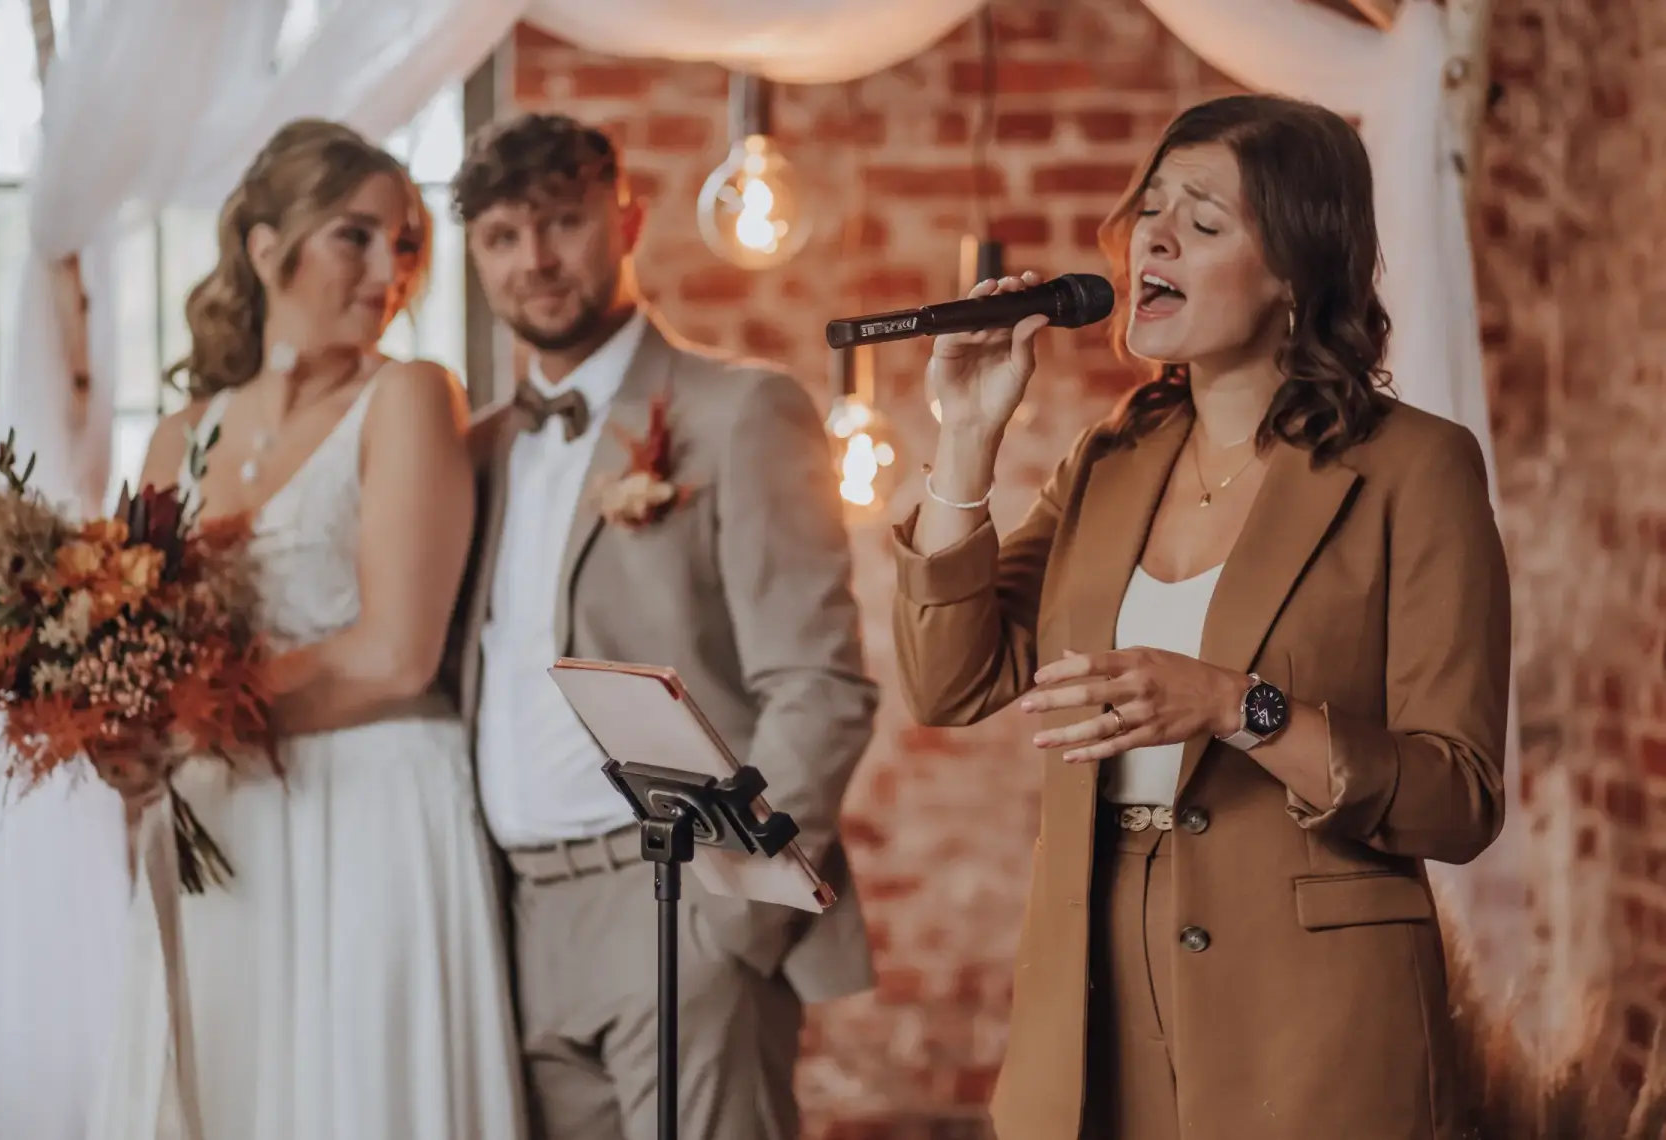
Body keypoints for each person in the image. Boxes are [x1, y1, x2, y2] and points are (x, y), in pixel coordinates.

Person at [891, 93, 1511, 1140]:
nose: (1156, 238)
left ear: (1294, 276)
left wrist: (1237, 707)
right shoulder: (1109, 458)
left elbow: (1459, 799)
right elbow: (948, 682)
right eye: (1151, 210)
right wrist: (965, 439)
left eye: (1205, 220)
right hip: (1092, 1004)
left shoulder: (1418, 468)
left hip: (1313, 1024)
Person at [86, 119, 525, 1140]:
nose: (389, 270)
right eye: (355, 236)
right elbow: (131, 641)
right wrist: (125, 729)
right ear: (263, 245)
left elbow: (397, 654)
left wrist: (194, 715)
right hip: (219, 821)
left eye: (405, 243)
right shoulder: (177, 439)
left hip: (372, 805)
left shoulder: (409, 397)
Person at [449, 112, 878, 1140]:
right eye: (502, 237)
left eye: (562, 222)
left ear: (627, 220)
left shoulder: (739, 412)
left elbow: (819, 684)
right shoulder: (473, 454)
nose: (534, 259)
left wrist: (733, 914)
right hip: (511, 924)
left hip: (676, 905)